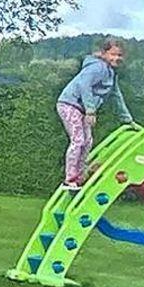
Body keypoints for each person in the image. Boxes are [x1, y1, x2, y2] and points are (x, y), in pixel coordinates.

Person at [57, 40, 133, 187]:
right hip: (70, 104)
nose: (117, 58)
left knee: (87, 142)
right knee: (78, 140)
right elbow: (84, 85)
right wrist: (90, 110)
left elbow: (117, 97)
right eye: (113, 54)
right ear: (104, 54)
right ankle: (70, 178)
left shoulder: (111, 74)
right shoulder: (97, 67)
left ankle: (79, 176)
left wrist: (128, 120)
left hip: (83, 109)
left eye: (120, 55)